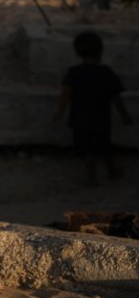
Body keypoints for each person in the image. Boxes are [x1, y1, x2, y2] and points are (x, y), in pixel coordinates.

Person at [52, 31, 132, 185]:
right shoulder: (106, 72)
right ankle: (112, 172)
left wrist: (59, 112)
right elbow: (116, 97)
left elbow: (66, 94)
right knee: (105, 147)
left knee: (86, 150)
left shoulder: (74, 73)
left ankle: (91, 178)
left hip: (80, 119)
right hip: (101, 118)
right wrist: (124, 115)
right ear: (101, 51)